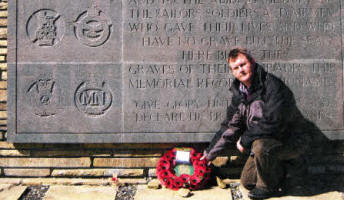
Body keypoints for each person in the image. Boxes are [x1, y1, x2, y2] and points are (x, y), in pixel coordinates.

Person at [201, 48, 309, 199]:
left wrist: (245, 139)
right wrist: (208, 156)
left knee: (260, 146)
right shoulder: (239, 94)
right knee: (248, 181)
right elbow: (230, 127)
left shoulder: (272, 85)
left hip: (289, 141)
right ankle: (283, 172)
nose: (241, 70)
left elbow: (273, 121)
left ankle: (268, 187)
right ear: (233, 72)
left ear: (252, 62)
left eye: (243, 64)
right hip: (263, 144)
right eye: (236, 68)